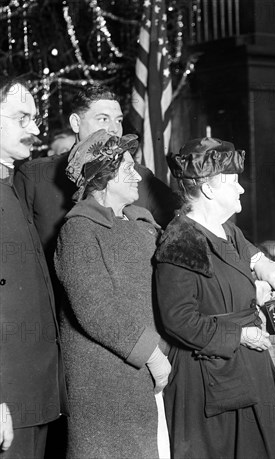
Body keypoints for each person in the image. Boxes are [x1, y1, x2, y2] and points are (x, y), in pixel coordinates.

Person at [154, 137, 275, 459]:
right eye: (233, 182)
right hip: (208, 380)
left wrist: (264, 263)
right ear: (209, 189)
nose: (241, 189)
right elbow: (178, 319)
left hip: (242, 368)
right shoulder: (181, 239)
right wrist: (240, 335)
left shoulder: (224, 228)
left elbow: (244, 248)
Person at [53, 129, 171, 458]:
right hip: (106, 383)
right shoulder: (78, 230)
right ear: (104, 177)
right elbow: (95, 308)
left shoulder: (141, 223)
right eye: (128, 169)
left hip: (148, 374)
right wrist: (151, 354)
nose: (137, 176)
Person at [14, 84, 178, 270]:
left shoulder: (139, 177)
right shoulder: (34, 177)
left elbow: (181, 222)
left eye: (118, 120)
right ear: (76, 123)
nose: (114, 129)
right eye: (103, 119)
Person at [0, 76, 66, 457]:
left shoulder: (14, 184)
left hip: (36, 398)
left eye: (36, 119)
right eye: (23, 118)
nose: (36, 129)